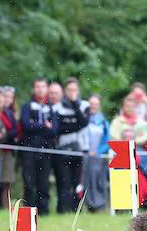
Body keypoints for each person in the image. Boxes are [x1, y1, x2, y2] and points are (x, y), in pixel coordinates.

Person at [20, 77, 57, 214]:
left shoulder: (51, 108)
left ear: (47, 89)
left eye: (43, 86)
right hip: (29, 149)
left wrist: (35, 124)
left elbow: (54, 130)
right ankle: (28, 211)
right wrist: (43, 125)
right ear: (33, 89)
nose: (40, 89)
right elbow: (26, 125)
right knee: (29, 182)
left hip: (46, 151)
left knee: (44, 182)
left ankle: (44, 211)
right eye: (37, 87)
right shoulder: (27, 106)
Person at [52, 78, 89, 213]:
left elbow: (83, 122)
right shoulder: (57, 107)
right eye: (69, 90)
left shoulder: (84, 105)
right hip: (62, 149)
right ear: (64, 91)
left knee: (77, 183)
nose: (72, 93)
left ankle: (76, 210)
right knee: (64, 182)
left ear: (78, 91)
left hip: (79, 150)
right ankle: (63, 209)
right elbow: (57, 129)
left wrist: (74, 104)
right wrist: (75, 127)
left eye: (74, 90)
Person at [83, 94, 110, 213]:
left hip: (99, 157)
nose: (93, 106)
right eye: (91, 104)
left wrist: (98, 151)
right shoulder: (84, 119)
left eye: (95, 104)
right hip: (85, 156)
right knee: (86, 180)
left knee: (99, 181)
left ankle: (99, 205)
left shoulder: (103, 122)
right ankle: (88, 204)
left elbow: (107, 140)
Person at [0, 86, 19, 209]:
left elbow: (15, 130)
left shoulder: (9, 113)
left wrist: (5, 135)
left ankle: (5, 207)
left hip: (8, 150)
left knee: (7, 181)